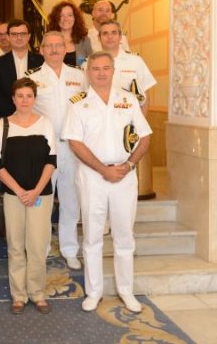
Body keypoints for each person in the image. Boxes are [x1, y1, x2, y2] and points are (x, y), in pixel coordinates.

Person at [62, 51, 152, 313]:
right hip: (93, 176)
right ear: (88, 72)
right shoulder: (78, 102)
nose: (101, 73)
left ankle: (126, 291)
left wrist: (129, 165)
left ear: (113, 70)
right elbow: (74, 142)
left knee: (124, 237)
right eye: (95, 69)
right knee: (92, 237)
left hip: (124, 175)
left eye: (105, 68)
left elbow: (145, 136)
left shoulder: (128, 99)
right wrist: (103, 169)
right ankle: (94, 292)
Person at [0, 77, 56, 315]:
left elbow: (51, 162)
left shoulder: (46, 124)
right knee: (16, 246)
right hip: (14, 196)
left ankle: (38, 293)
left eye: (29, 96)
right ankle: (18, 295)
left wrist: (35, 191)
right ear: (13, 99)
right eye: (20, 96)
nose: (24, 100)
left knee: (37, 246)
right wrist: (20, 192)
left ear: (34, 98)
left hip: (41, 195)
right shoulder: (4, 125)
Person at [26, 31, 86, 270]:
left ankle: (69, 249)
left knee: (71, 200)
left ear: (65, 48)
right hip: (44, 150)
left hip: (72, 148)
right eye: (48, 46)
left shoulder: (79, 76)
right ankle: (42, 247)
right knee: (42, 200)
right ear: (40, 49)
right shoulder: (31, 77)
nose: (53, 50)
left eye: (58, 45)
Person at [94, 20, 156, 116]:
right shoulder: (89, 64)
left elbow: (145, 96)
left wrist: (140, 127)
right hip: (98, 123)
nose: (110, 37)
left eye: (114, 33)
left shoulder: (136, 61)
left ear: (120, 37)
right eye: (105, 33)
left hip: (128, 123)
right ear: (99, 38)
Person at [0, 19, 43, 122]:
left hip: (36, 117)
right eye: (14, 34)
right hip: (7, 118)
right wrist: (15, 113)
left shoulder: (41, 61)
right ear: (8, 37)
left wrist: (30, 112)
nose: (19, 37)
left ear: (29, 36)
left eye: (23, 33)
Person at [47, 0, 92, 67]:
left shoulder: (84, 41)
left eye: (70, 15)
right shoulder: (48, 40)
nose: (65, 19)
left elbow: (91, 65)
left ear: (75, 18)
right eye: (61, 15)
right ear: (56, 19)